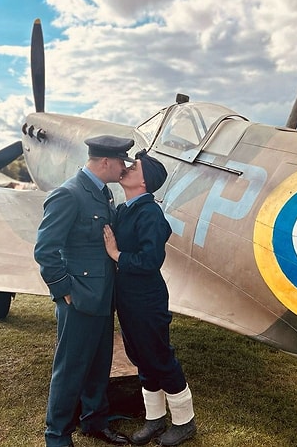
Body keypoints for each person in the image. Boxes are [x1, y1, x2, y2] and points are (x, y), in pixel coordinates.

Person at [33, 134, 135, 447]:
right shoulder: (69, 194)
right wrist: (64, 290)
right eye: (121, 161)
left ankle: (94, 420)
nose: (124, 167)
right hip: (78, 298)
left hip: (103, 296)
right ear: (105, 161)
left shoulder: (103, 193)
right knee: (71, 367)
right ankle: (57, 435)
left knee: (99, 362)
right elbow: (45, 250)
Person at [103, 149, 197, 446]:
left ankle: (185, 422)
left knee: (160, 358)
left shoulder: (149, 213)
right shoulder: (126, 208)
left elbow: (150, 260)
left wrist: (116, 254)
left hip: (147, 299)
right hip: (129, 299)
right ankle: (155, 419)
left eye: (134, 167)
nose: (127, 168)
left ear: (144, 182)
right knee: (140, 358)